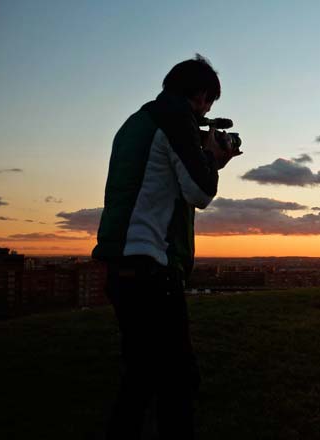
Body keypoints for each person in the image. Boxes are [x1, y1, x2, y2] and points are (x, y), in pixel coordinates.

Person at [92, 54, 241, 439]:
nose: (208, 112)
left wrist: (207, 156)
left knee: (140, 379)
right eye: (209, 104)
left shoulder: (137, 122)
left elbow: (164, 183)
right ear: (201, 94)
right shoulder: (175, 120)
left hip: (121, 263)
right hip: (149, 267)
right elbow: (200, 191)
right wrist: (211, 155)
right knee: (177, 380)